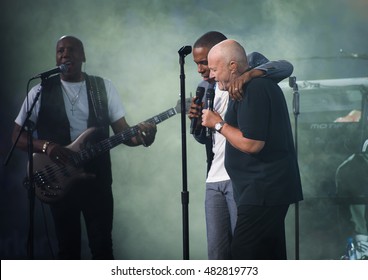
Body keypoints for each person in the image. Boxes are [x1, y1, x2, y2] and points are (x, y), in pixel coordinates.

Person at [12, 35, 157, 259]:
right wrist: (47, 147)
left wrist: (145, 138)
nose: (65, 54)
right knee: (67, 251)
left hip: (97, 181)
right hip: (58, 179)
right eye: (60, 50)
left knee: (102, 249)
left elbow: (125, 134)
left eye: (71, 50)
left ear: (83, 56)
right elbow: (17, 137)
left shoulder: (103, 87)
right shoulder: (40, 90)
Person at [189, 31, 294, 259]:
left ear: (229, 62)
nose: (203, 70)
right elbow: (206, 138)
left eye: (207, 64)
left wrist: (251, 75)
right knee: (224, 254)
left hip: (252, 184)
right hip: (225, 180)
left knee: (246, 253)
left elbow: (285, 66)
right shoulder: (206, 89)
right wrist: (199, 123)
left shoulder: (251, 81)